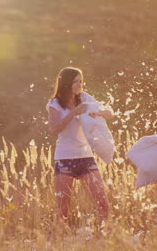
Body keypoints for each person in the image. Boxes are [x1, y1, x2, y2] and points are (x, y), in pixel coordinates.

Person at [46, 67, 113, 232]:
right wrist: (74, 112)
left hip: (86, 158)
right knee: (63, 211)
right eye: (75, 81)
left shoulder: (85, 98)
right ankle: (56, 244)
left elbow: (111, 114)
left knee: (103, 204)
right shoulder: (54, 104)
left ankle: (102, 240)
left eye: (81, 81)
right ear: (66, 83)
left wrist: (102, 113)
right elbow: (54, 130)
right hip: (65, 159)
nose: (79, 85)